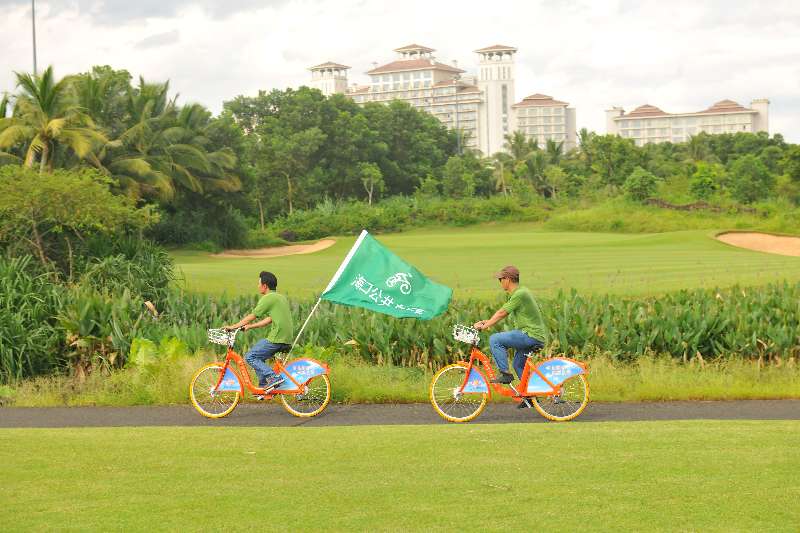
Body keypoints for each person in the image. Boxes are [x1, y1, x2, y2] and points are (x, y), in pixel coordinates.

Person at [473, 265, 548, 408]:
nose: (500, 282)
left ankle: (505, 374)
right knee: (518, 364)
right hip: (532, 334)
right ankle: (530, 398)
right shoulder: (518, 293)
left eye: (500, 279)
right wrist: (487, 322)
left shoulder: (520, 293)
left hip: (530, 335)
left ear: (508, 279)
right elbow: (502, 312)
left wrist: (486, 325)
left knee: (495, 339)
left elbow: (502, 313)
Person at [225, 271, 294, 392]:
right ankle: (263, 388)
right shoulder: (280, 298)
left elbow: (253, 315)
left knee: (250, 357)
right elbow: (269, 319)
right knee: (258, 356)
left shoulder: (268, 298)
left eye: (259, 283)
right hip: (286, 338)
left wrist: (234, 326)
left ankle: (273, 377)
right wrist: (250, 327)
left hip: (277, 338)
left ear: (265, 285)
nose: (258, 286)